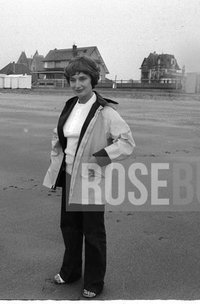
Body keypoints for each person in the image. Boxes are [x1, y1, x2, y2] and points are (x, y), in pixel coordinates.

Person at [43, 55, 135, 298]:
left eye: (82, 78)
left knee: (93, 234)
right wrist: (57, 163)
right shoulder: (70, 105)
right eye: (72, 79)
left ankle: (94, 282)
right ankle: (70, 271)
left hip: (91, 178)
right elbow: (59, 135)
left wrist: (99, 159)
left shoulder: (105, 111)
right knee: (70, 228)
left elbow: (126, 142)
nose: (77, 84)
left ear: (92, 79)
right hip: (70, 176)